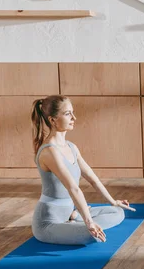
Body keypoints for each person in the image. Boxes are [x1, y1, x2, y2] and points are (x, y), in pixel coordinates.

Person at [31, 95, 134, 245]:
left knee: (118, 212)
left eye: (72, 112)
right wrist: (89, 222)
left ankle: (76, 218)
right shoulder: (49, 152)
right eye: (67, 114)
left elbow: (93, 179)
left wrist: (113, 201)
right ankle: (79, 221)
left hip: (69, 214)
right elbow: (73, 188)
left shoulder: (71, 147)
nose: (74, 117)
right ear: (52, 120)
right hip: (49, 223)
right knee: (90, 235)